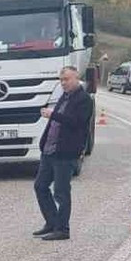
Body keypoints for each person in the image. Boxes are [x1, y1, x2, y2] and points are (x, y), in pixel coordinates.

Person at [33, 66, 94, 242]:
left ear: (77, 79)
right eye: (61, 80)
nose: (63, 83)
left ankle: (63, 229)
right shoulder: (64, 97)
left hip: (65, 153)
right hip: (50, 150)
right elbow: (56, 121)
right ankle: (52, 222)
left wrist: (53, 115)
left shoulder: (84, 100)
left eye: (67, 79)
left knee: (61, 191)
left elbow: (76, 123)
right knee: (40, 186)